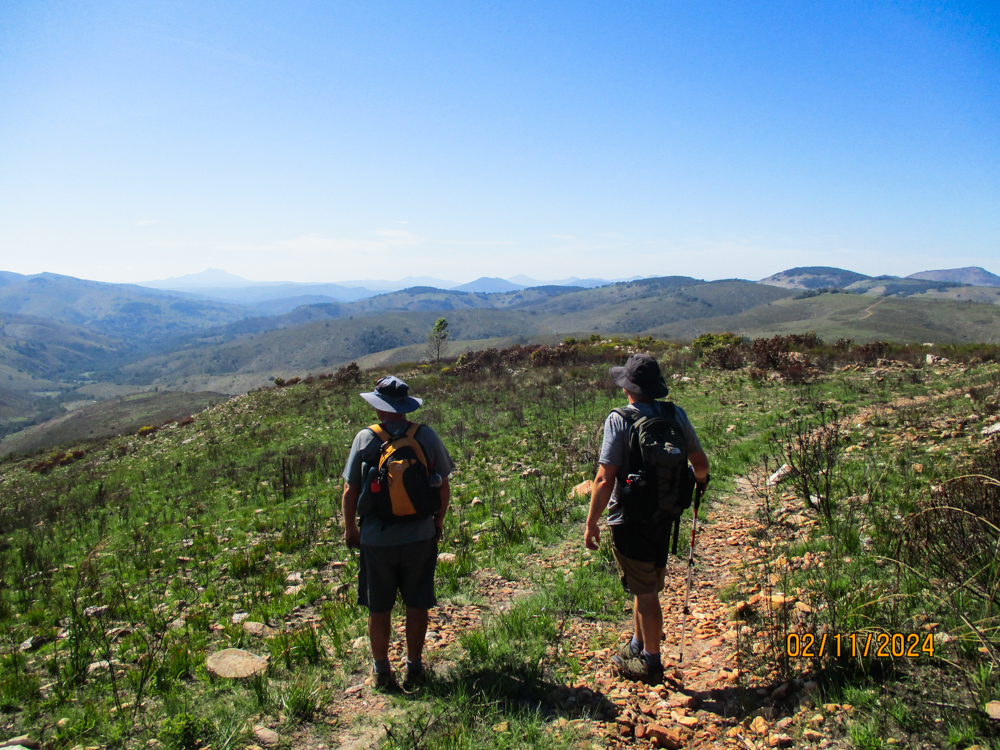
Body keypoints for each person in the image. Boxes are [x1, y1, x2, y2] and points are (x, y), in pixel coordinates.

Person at [583, 353, 709, 684]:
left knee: (646, 592)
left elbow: (604, 479)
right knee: (647, 585)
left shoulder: (619, 419)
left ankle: (651, 663)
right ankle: (637, 644)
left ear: (628, 388)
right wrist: (699, 483)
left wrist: (591, 522)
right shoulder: (675, 414)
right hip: (665, 514)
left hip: (629, 517)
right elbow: (700, 464)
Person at [342, 375, 454, 690]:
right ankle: (414, 669)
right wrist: (437, 522)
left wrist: (350, 528)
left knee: (379, 607)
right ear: (405, 407)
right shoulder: (426, 436)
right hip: (420, 537)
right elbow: (443, 486)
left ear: (379, 408)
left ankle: (381, 672)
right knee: (417, 604)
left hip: (377, 541)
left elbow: (350, 490)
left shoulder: (365, 439)